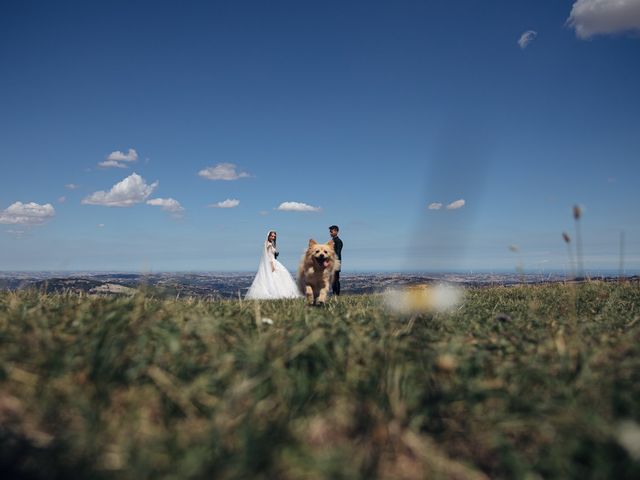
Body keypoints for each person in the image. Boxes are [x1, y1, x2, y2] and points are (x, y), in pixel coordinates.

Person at [245, 231, 301, 300]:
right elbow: (268, 256)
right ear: (268, 236)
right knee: (278, 276)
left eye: (274, 236)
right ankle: (278, 293)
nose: (273, 237)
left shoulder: (269, 243)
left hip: (272, 261)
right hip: (272, 262)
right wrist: (272, 265)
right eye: (272, 236)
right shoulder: (269, 244)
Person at [329, 225, 343, 295]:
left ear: (336, 231)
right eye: (330, 232)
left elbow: (337, 253)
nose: (330, 233)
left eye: (331, 232)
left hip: (336, 262)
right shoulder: (332, 241)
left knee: (336, 279)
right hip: (332, 262)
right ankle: (334, 294)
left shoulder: (338, 241)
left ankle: (337, 294)